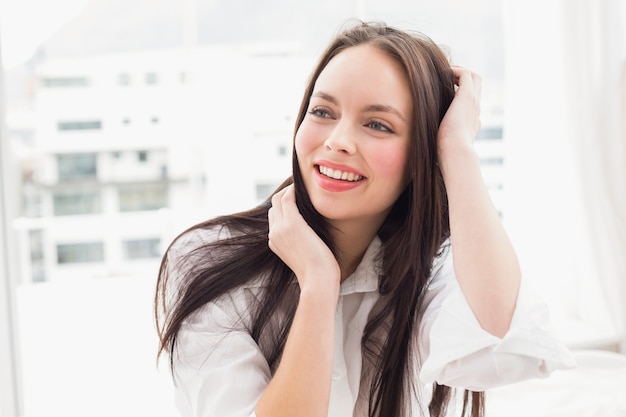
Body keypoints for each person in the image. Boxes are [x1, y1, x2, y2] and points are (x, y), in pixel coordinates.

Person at [154, 21, 575, 417]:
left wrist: (457, 148)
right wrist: (319, 284)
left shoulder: (432, 267)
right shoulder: (206, 261)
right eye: (322, 112)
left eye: (377, 124)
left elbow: (503, 341)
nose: (337, 142)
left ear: (421, 156)